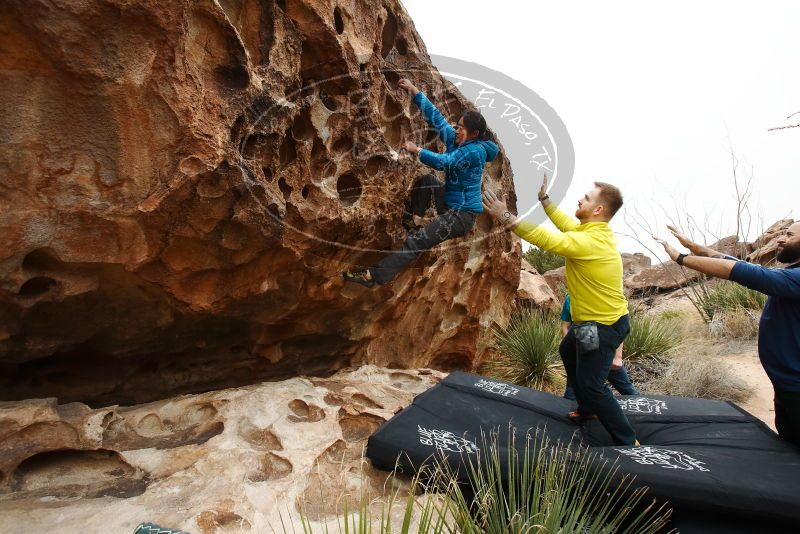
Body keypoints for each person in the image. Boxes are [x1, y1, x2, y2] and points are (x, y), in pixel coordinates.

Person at [483, 175, 638, 446]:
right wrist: (545, 201)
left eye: (586, 198)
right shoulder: (588, 232)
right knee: (569, 350)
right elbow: (564, 223)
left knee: (593, 384)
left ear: (599, 210)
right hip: (588, 325)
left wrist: (505, 215)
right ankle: (588, 411)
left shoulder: (592, 242)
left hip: (604, 327)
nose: (580, 199)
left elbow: (547, 240)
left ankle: (629, 441)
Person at [654, 222, 800, 447]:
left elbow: (746, 272)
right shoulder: (793, 273)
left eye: (789, 235)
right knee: (789, 446)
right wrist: (693, 246)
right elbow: (737, 263)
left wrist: (682, 258)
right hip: (786, 384)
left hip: (796, 387)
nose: (781, 239)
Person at [342, 78, 499, 288]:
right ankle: (411, 222)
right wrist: (415, 92)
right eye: (458, 126)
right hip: (450, 204)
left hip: (461, 217)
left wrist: (417, 150)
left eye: (462, 129)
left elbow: (446, 163)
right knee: (427, 181)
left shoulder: (475, 151)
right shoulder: (457, 139)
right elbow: (437, 119)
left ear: (475, 134)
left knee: (417, 242)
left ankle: (373, 276)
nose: (457, 130)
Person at [560, 294, 639, 400]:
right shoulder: (571, 297)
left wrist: (618, 357)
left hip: (604, 338)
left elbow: (618, 326)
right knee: (572, 391)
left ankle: (645, 409)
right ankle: (577, 411)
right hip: (584, 334)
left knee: (625, 387)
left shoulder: (605, 295)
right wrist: (570, 348)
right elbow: (566, 326)